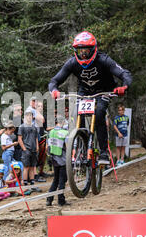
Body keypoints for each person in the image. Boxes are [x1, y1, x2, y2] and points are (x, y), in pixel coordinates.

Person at [49, 31, 132, 165]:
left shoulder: (103, 60)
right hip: (85, 91)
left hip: (103, 90)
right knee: (78, 114)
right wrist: (54, 90)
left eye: (86, 51)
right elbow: (55, 80)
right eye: (80, 51)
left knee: (99, 113)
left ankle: (104, 152)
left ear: (93, 49)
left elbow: (124, 73)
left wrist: (124, 86)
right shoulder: (72, 63)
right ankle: (83, 144)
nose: (83, 54)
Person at [46, 117, 70, 206]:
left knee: (55, 180)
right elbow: (68, 147)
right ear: (63, 122)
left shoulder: (51, 132)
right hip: (63, 159)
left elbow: (47, 147)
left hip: (54, 159)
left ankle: (49, 199)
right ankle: (61, 200)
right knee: (61, 180)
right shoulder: (65, 133)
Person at [18, 110, 40, 191]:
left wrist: (37, 146)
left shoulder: (34, 127)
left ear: (32, 117)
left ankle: (32, 184)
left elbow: (36, 138)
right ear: (25, 117)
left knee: (32, 166)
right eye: (27, 115)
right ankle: (25, 184)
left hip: (34, 149)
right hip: (26, 149)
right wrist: (24, 148)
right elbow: (19, 139)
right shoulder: (22, 126)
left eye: (30, 115)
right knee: (26, 167)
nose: (29, 117)